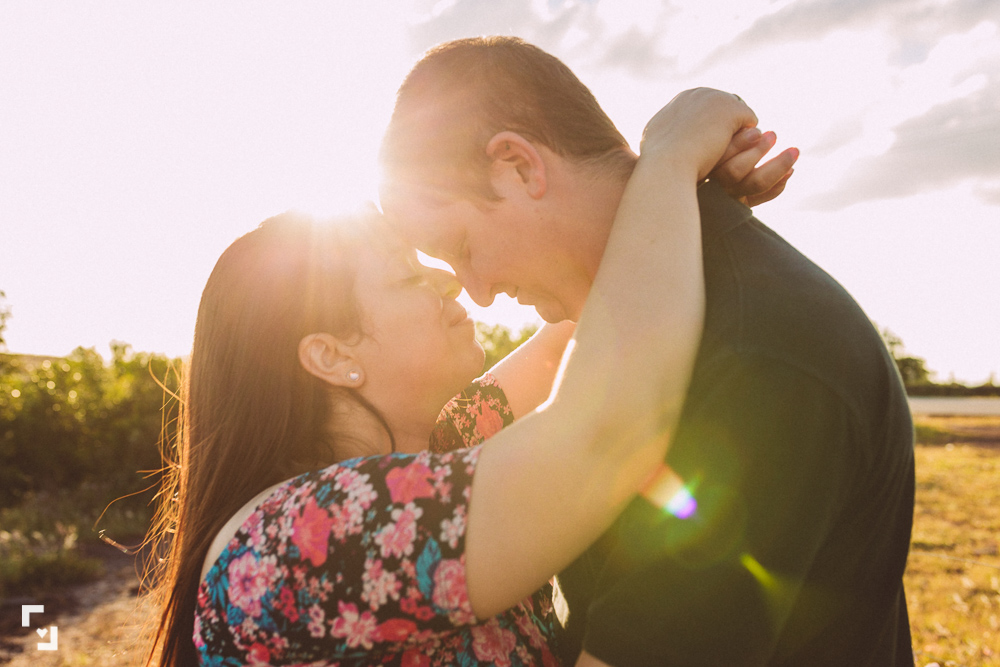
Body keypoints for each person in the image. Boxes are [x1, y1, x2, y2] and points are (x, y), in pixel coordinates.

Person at [143, 89, 760, 666]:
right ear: (329, 357)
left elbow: (580, 340)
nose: (446, 280)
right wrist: (672, 158)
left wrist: (690, 205)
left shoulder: (444, 443)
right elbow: (602, 436)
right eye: (409, 278)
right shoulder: (295, 538)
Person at [378, 36, 915, 666]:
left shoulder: (754, 360)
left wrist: (671, 161)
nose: (480, 294)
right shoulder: (637, 325)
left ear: (519, 166)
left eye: (462, 249)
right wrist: (671, 166)